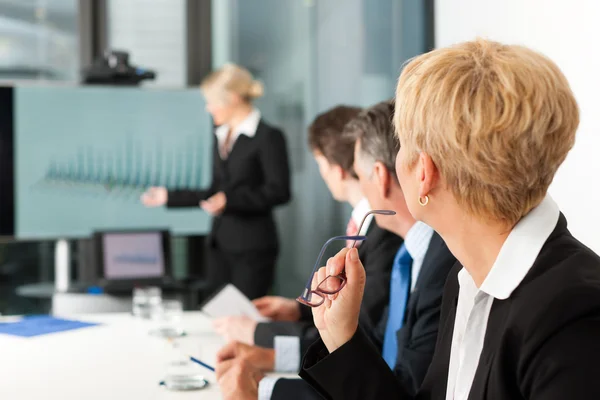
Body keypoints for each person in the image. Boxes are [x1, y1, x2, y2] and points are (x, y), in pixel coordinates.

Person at [297, 39, 600, 399]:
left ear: (424, 173)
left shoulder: (576, 315)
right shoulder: (465, 281)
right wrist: (341, 337)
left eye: (403, 144)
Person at [215, 102, 456, 400]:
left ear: (380, 175)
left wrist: (264, 387)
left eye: (359, 172)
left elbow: (392, 373)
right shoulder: (413, 254)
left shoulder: (424, 257)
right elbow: (378, 346)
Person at [140, 63, 291, 300]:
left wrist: (229, 201)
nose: (209, 109)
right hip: (221, 244)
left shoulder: (268, 137)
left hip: (252, 247)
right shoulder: (221, 136)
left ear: (232, 98)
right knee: (219, 315)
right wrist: (169, 196)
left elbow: (279, 191)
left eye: (212, 102)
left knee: (245, 318)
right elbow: (215, 190)